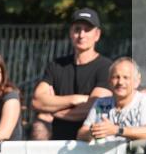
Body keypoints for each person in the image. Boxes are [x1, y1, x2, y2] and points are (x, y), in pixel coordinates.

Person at [31, 8, 113, 140]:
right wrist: (76, 99)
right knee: (39, 126)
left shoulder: (106, 67)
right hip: (57, 141)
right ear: (70, 32)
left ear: (97, 35)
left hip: (90, 143)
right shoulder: (56, 65)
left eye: (87, 30)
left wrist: (54, 110)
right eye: (77, 29)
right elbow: (37, 101)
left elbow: (96, 108)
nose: (81, 35)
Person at [77, 58, 146, 142]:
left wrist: (117, 130)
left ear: (136, 81)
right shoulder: (101, 103)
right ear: (109, 81)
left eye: (126, 77)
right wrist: (93, 132)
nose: (120, 82)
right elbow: (81, 133)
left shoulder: (145, 101)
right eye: (116, 77)